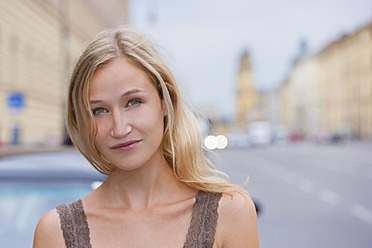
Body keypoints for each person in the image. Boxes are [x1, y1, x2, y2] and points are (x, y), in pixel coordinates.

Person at [33, 25, 259, 248]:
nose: (120, 129)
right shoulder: (57, 233)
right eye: (99, 111)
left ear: (165, 102)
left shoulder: (229, 213)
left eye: (133, 102)